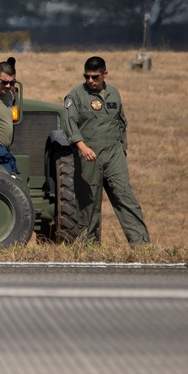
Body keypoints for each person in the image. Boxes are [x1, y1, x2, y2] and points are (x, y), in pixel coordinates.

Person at [63, 56, 150, 245]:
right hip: (89, 154)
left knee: (125, 196)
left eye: (95, 77)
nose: (90, 81)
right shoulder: (76, 95)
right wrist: (82, 146)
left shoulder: (114, 94)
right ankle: (89, 247)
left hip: (114, 154)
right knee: (89, 203)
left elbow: (121, 123)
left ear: (105, 74)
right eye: (86, 77)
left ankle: (141, 244)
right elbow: (69, 124)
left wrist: (123, 150)